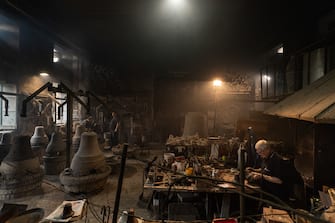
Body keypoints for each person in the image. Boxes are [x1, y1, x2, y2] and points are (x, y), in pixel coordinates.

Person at [246, 139, 303, 204]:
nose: (259, 155)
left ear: (266, 149)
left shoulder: (277, 160)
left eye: (260, 152)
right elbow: (266, 170)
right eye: (258, 153)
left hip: (278, 195)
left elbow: (279, 180)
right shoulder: (266, 157)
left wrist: (261, 176)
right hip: (268, 191)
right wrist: (254, 170)